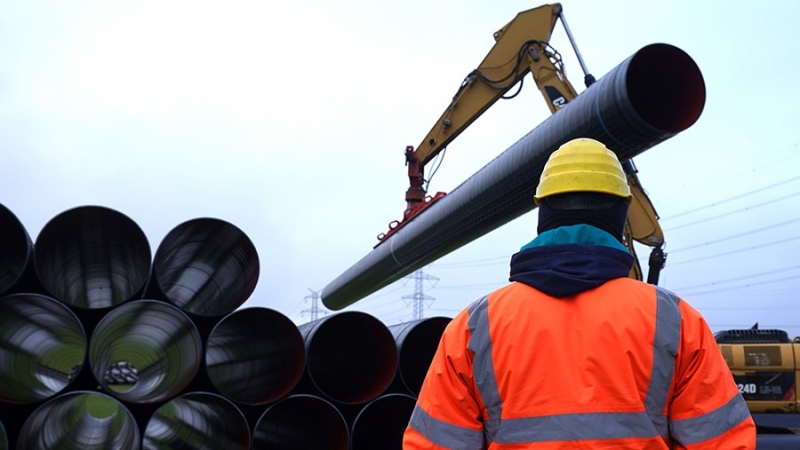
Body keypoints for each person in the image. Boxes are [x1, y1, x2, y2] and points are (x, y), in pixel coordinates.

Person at [403, 138, 756, 449]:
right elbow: (722, 443)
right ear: (622, 211)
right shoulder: (675, 321)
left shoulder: (474, 326)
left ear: (542, 210)